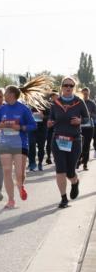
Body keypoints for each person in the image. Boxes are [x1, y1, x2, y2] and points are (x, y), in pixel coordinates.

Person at [0, 81, 48, 209]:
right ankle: (11, 200)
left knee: (19, 173)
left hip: (21, 143)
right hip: (5, 143)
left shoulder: (24, 109)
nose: (4, 95)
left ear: (12, 94)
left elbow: (33, 125)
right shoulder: (2, 109)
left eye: (5, 93)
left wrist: (20, 127)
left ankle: (21, 186)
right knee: (7, 171)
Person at [47, 77, 91, 208]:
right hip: (58, 140)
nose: (68, 87)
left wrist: (80, 121)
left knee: (70, 171)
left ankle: (75, 182)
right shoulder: (56, 103)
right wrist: (49, 123)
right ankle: (63, 198)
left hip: (74, 140)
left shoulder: (79, 102)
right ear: (62, 87)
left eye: (71, 86)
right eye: (66, 85)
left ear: (74, 88)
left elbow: (87, 119)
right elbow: (51, 119)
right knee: (60, 170)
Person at [27, 98, 48, 172]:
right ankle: (32, 164)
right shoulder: (29, 104)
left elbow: (50, 117)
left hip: (42, 129)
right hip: (31, 129)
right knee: (31, 146)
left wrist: (44, 117)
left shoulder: (46, 105)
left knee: (41, 147)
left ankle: (40, 163)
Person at [79, 86, 96, 170]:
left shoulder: (92, 103)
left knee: (86, 146)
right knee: (79, 145)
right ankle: (78, 160)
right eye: (84, 93)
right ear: (81, 94)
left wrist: (90, 114)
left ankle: (85, 164)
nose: (85, 95)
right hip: (79, 127)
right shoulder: (78, 102)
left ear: (89, 94)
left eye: (86, 94)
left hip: (89, 127)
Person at [45, 91, 59, 164]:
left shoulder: (61, 104)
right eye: (52, 96)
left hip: (59, 127)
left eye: (55, 95)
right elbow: (46, 115)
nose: (54, 97)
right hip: (50, 127)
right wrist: (50, 120)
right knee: (49, 143)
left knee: (57, 143)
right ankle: (48, 157)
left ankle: (56, 158)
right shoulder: (47, 105)